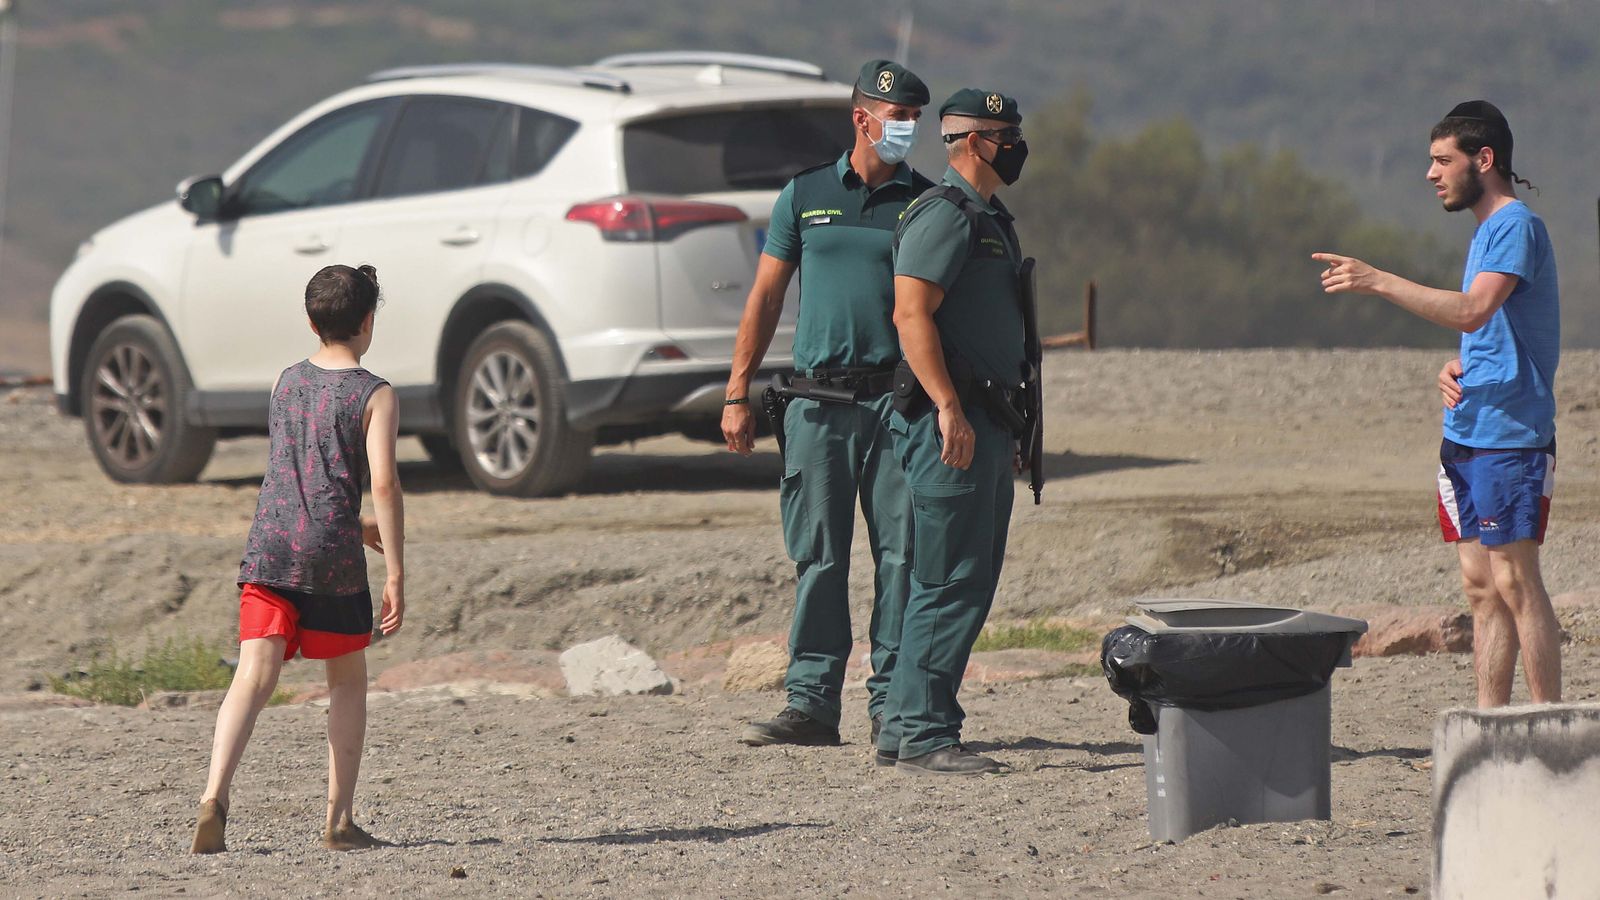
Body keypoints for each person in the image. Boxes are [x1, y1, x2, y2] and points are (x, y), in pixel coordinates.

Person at [1314, 100, 1560, 708]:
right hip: (1467, 432)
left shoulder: (1516, 226)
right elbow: (1483, 326)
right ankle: (1490, 728)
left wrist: (1376, 280)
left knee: (1515, 580)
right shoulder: (1484, 234)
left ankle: (1553, 728)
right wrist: (1456, 365)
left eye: (1441, 160)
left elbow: (1473, 308)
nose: (1431, 173)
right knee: (1480, 588)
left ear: (1484, 159)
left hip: (1512, 434)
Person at [724, 60, 933, 750]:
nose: (905, 129)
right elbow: (764, 297)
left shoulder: (925, 204)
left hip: (897, 407)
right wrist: (736, 393)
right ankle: (811, 703)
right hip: (816, 403)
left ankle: (893, 705)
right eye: (896, 116)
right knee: (819, 556)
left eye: (913, 119)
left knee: (902, 557)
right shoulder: (804, 195)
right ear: (861, 117)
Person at [192, 264, 405, 853]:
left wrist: (348, 523)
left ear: (311, 322)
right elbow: (381, 483)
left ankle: (214, 797)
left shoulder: (286, 381)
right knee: (347, 682)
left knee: (252, 676)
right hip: (331, 561)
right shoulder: (375, 393)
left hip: (269, 546)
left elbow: (302, 475)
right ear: (368, 322)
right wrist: (396, 569)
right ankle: (338, 821)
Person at [879, 88, 1031, 774]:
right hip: (954, 426)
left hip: (984, 420)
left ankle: (907, 726)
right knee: (949, 579)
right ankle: (924, 734)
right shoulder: (947, 215)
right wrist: (947, 405)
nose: (1016, 144)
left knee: (949, 577)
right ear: (970, 141)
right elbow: (911, 314)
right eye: (1003, 133)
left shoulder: (987, 217)